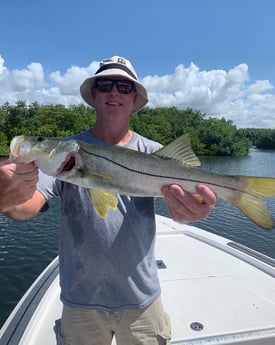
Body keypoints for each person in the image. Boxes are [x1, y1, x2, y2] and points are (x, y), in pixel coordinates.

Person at [1, 56, 217, 345]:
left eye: (124, 87)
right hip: (81, 300)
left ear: (134, 98)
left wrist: (190, 211)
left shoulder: (155, 152)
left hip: (142, 299)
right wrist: (4, 197)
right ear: (94, 94)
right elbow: (25, 207)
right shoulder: (65, 154)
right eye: (105, 84)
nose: (114, 91)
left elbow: (184, 210)